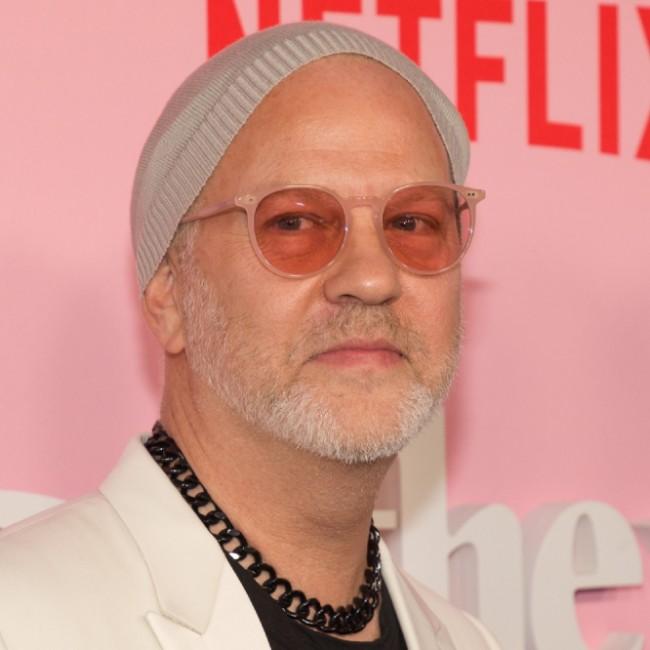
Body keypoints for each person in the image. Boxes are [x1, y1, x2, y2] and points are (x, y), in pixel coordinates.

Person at [0, 21, 498, 650]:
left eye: (412, 222)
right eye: (294, 222)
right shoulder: (19, 617)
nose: (373, 278)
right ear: (169, 294)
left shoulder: (471, 640)